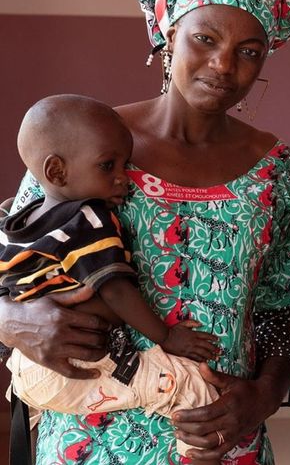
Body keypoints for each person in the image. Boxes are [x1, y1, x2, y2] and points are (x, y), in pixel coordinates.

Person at [0, 0, 290, 465]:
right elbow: (12, 253)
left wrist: (263, 396)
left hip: (223, 440)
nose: (224, 65)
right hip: (90, 442)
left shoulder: (274, 169)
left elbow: (281, 307)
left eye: (250, 51)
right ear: (169, 34)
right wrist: (12, 320)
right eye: (205, 38)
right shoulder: (86, 142)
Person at [3, 95, 222, 458]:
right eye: (108, 166)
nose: (124, 178)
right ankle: (198, 456)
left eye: (124, 164)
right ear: (57, 171)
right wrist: (167, 337)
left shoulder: (13, 223)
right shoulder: (86, 220)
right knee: (186, 384)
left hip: (26, 372)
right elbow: (117, 292)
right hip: (81, 363)